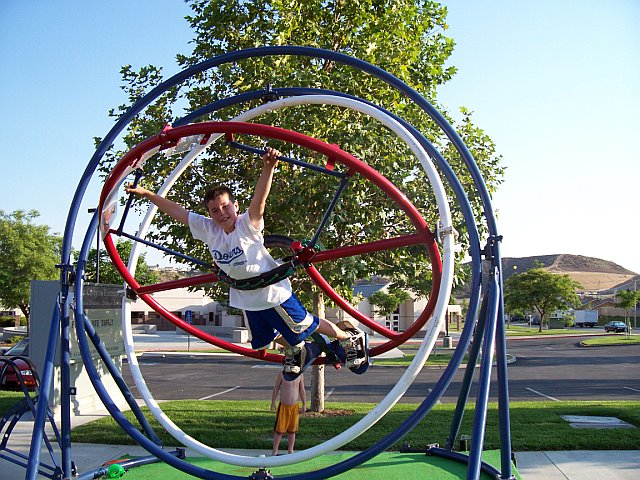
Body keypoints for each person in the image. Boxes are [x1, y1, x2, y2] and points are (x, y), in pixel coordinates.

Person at [125, 146, 365, 374]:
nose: (221, 214)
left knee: (305, 324)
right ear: (209, 214)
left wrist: (268, 168)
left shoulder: (246, 225)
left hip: (272, 293)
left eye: (225, 207)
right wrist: (147, 194)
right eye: (215, 211)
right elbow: (177, 212)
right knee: (262, 339)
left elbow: (259, 201)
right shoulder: (210, 229)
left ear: (235, 206)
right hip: (247, 297)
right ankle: (299, 350)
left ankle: (348, 338)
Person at [271, 371, 305, 455]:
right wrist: (273, 402)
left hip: (294, 407)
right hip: (283, 406)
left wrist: (304, 404)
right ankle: (274, 451)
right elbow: (276, 388)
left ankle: (290, 450)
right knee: (279, 431)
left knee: (292, 431)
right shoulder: (282, 374)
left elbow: (302, 389)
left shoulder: (300, 375)